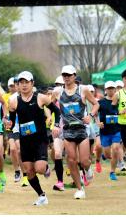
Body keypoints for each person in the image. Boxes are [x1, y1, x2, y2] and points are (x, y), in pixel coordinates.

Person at [7, 71, 61, 206]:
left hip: (40, 139)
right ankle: (41, 196)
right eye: (21, 83)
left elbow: (56, 111)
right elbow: (12, 121)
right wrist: (9, 123)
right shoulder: (13, 101)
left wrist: (56, 125)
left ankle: (46, 168)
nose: (24, 85)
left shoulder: (41, 98)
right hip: (25, 140)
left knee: (40, 168)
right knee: (29, 171)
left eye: (27, 82)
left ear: (32, 83)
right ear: (18, 85)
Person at [52, 65, 98, 199]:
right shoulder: (57, 92)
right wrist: (54, 123)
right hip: (67, 130)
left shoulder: (82, 90)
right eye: (64, 75)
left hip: (81, 129)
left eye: (69, 75)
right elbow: (50, 106)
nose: (66, 77)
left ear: (74, 76)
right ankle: (80, 189)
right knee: (71, 160)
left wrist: (90, 115)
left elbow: (96, 104)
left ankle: (88, 170)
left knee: (84, 161)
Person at [98, 81, 121, 181]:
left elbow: (123, 112)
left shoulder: (119, 102)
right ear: (105, 90)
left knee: (115, 149)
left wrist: (123, 113)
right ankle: (104, 155)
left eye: (112, 88)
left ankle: (112, 172)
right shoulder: (101, 102)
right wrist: (98, 122)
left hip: (117, 130)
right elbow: (94, 113)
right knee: (108, 155)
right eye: (109, 88)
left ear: (115, 90)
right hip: (105, 132)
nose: (111, 90)